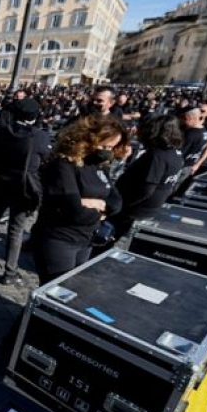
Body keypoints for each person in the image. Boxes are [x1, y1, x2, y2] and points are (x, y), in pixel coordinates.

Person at [31, 115, 128, 285]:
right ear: (87, 140)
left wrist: (94, 204)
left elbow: (116, 201)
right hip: (59, 239)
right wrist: (98, 212)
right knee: (54, 289)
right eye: (104, 145)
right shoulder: (63, 165)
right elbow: (73, 211)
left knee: (71, 288)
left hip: (86, 239)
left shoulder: (98, 165)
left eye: (111, 147)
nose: (107, 151)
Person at [0, 98, 50, 285]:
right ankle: (10, 272)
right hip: (23, 188)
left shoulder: (2, 132)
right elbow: (46, 159)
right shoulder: (40, 136)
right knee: (16, 230)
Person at [106, 114, 184, 242]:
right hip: (149, 208)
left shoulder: (156, 156)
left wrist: (120, 204)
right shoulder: (175, 153)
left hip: (133, 210)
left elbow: (146, 189)